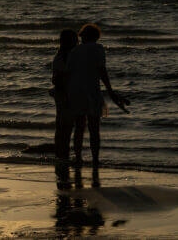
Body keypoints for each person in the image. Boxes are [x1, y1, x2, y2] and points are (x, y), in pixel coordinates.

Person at [66, 23, 130, 167]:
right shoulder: (98, 49)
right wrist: (110, 90)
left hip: (75, 91)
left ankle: (78, 158)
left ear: (83, 36)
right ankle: (95, 159)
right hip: (91, 90)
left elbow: (69, 73)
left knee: (79, 127)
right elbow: (102, 70)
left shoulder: (74, 51)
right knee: (94, 128)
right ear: (96, 37)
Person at [50, 29, 79, 159]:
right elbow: (58, 79)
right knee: (65, 126)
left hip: (63, 94)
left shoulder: (61, 55)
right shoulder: (65, 56)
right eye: (75, 39)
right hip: (65, 94)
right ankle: (62, 153)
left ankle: (61, 152)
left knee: (63, 125)